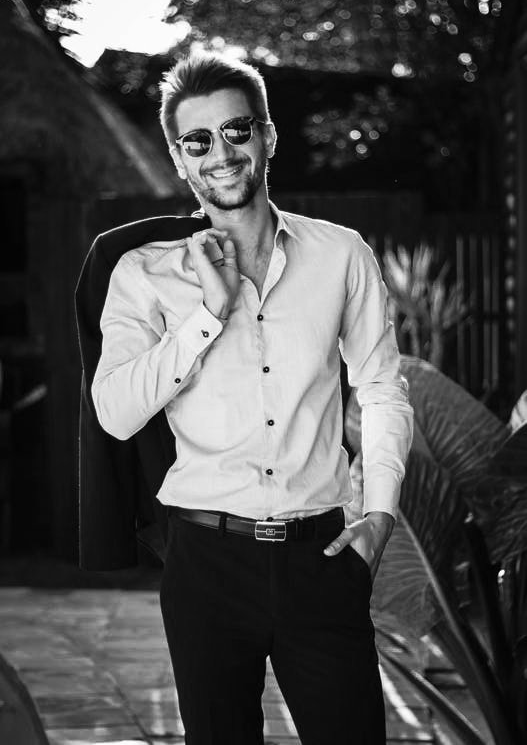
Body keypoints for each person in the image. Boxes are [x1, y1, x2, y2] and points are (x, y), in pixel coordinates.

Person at [91, 52, 414, 745]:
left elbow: (382, 388)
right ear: (179, 159)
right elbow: (114, 413)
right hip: (205, 563)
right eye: (197, 140)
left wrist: (380, 515)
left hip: (322, 558)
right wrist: (207, 315)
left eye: (237, 130)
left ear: (267, 136)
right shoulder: (143, 274)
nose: (221, 153)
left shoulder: (341, 254)